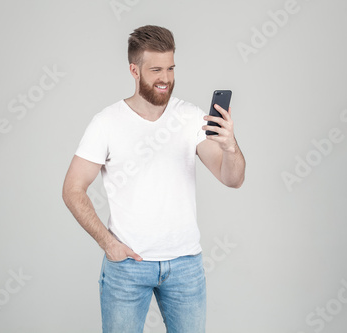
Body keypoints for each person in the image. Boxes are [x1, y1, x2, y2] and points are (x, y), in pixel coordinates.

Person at [62, 25, 245, 333]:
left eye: (171, 68)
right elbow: (72, 189)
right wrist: (108, 244)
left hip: (185, 265)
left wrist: (230, 146)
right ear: (134, 70)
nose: (166, 78)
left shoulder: (190, 117)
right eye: (156, 69)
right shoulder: (106, 123)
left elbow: (232, 179)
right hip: (128, 267)